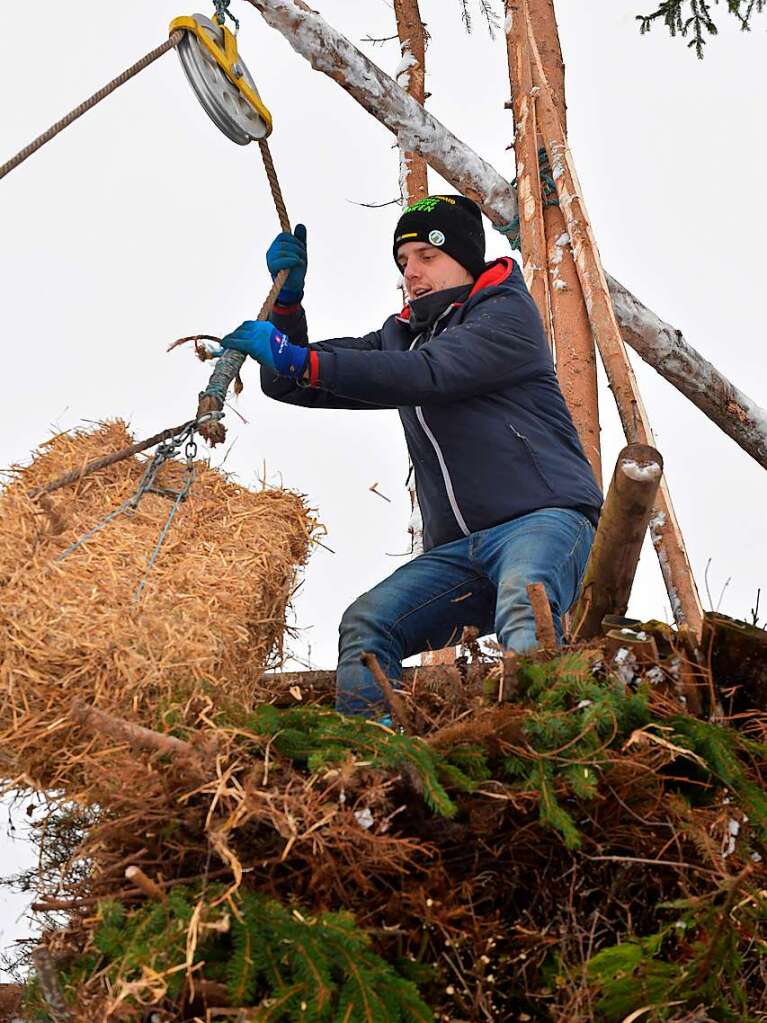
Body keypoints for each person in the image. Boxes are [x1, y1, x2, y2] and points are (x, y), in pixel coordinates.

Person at [220, 195, 603, 718]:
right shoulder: (401, 338)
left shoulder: (506, 315)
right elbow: (292, 384)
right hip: (461, 552)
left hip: (542, 521)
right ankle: (370, 765)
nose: (411, 272)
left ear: (465, 260)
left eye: (426, 255)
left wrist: (297, 357)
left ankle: (537, 740)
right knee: (367, 623)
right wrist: (287, 310)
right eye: (403, 262)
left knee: (525, 596)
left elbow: (428, 373)